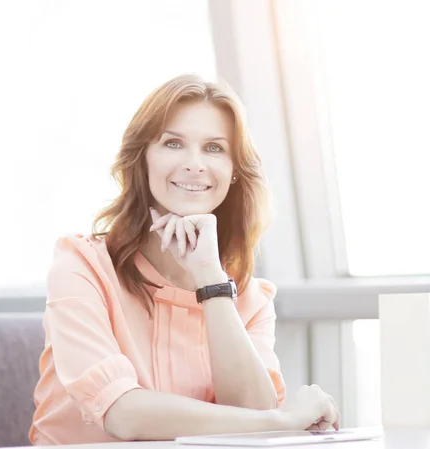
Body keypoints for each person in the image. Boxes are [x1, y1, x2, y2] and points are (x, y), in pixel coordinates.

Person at [29, 74, 339, 445]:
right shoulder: (81, 266)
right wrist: (284, 421)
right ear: (141, 158)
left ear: (235, 171)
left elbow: (255, 416)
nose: (194, 164)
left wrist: (211, 281)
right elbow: (124, 416)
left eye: (214, 148)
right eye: (173, 143)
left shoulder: (248, 297)